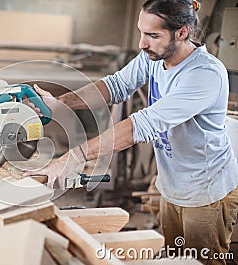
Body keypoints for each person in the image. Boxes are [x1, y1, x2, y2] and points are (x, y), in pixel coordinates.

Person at [24, 0, 238, 264]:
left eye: (152, 35)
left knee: (203, 261)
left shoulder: (205, 74)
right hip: (171, 186)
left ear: (182, 33)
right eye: (141, 32)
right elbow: (116, 85)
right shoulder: (156, 58)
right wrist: (63, 103)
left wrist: (74, 157)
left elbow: (143, 124)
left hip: (206, 191)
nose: (142, 43)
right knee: (176, 258)